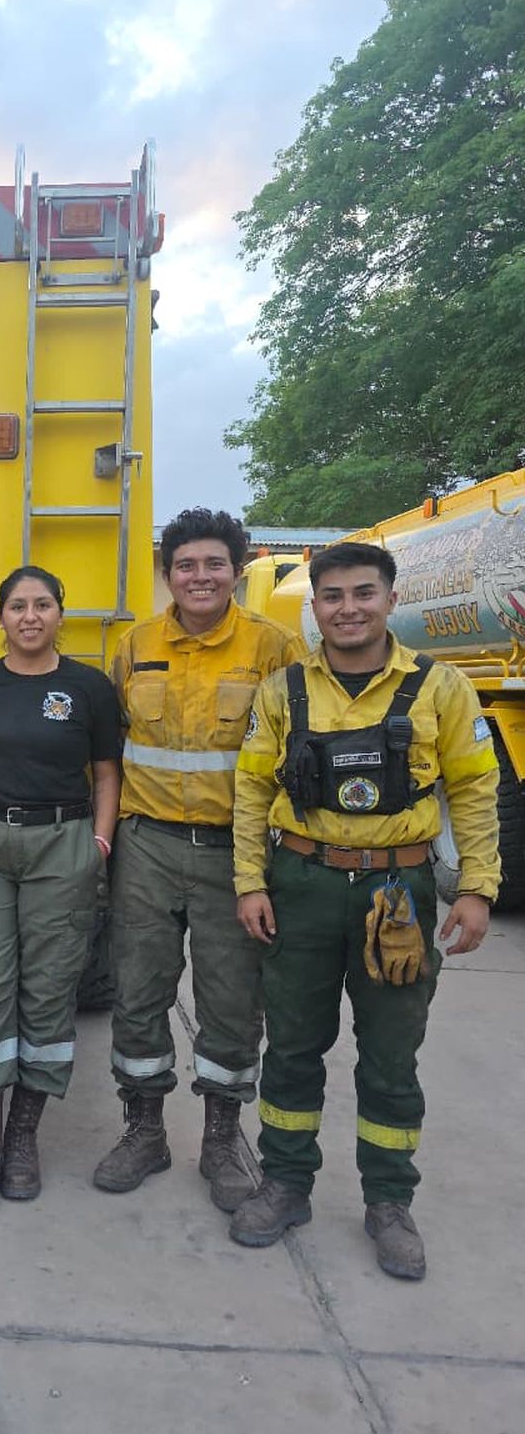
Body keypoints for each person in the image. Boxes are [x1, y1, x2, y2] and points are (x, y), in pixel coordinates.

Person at [230, 542, 500, 1279]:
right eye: (333, 596)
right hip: (302, 883)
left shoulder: (441, 688)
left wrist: (477, 888)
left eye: (363, 593)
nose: (348, 609)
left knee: (390, 1056)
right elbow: (251, 791)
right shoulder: (283, 691)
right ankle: (286, 1183)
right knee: (292, 1046)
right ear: (314, 607)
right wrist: (251, 881)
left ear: (389, 599)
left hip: (397, 893)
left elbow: (475, 790)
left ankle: (388, 1201)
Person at [92, 509, 303, 1212]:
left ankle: (221, 1139)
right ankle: (144, 1131)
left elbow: (299, 751)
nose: (200, 577)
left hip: (234, 855)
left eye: (214, 564)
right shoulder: (136, 645)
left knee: (232, 1001)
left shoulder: (273, 648)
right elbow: (108, 748)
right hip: (146, 848)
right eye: (186, 565)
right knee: (137, 991)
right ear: (168, 574)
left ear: (237, 571)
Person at [0, 566, 121, 1221]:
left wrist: (98, 846)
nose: (30, 616)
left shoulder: (88, 688)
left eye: (43, 604)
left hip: (60, 846)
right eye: (17, 606)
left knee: (47, 993)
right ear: (0, 617)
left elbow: (107, 774)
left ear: (59, 614)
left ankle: (22, 1142)